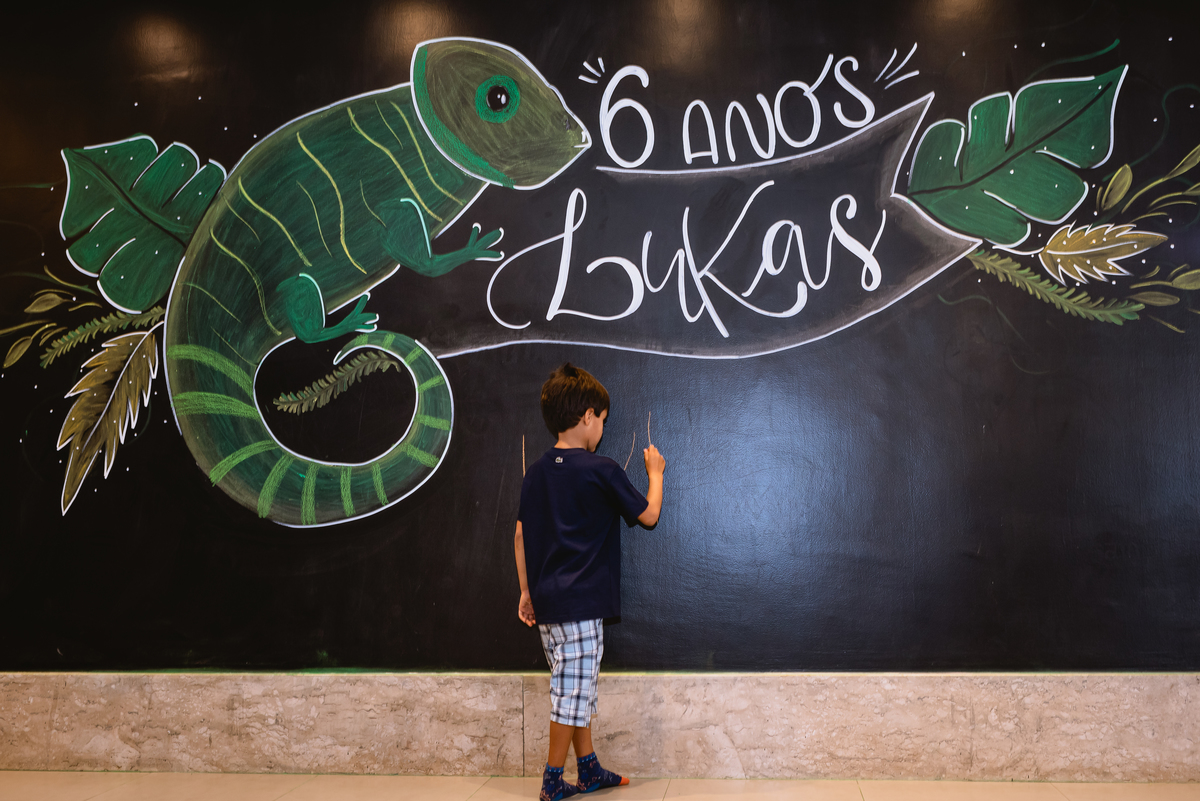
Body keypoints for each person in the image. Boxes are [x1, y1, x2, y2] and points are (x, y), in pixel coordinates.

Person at [514, 363, 666, 801]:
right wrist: (655, 473)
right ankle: (551, 781)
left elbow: (521, 535)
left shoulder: (536, 472)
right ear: (587, 416)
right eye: (602, 419)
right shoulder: (602, 469)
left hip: (548, 604)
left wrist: (525, 591)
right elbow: (649, 516)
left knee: (574, 686)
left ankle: (588, 768)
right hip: (582, 605)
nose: (602, 427)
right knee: (571, 693)